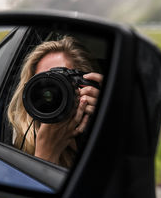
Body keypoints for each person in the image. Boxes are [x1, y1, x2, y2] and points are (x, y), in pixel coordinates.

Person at [7, 36, 103, 168]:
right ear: (29, 95)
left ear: (86, 86)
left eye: (62, 81)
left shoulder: (103, 131)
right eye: (42, 84)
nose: (51, 93)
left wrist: (106, 116)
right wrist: (45, 154)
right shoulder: (17, 154)